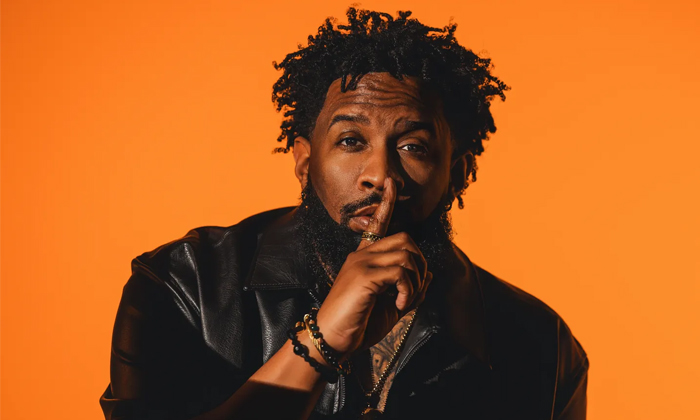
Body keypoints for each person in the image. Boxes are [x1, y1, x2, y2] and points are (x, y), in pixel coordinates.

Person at [100, 7, 588, 420]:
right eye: (351, 141)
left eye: (413, 146)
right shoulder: (186, 287)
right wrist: (322, 341)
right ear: (304, 161)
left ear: (458, 175)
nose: (380, 175)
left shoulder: (539, 345)